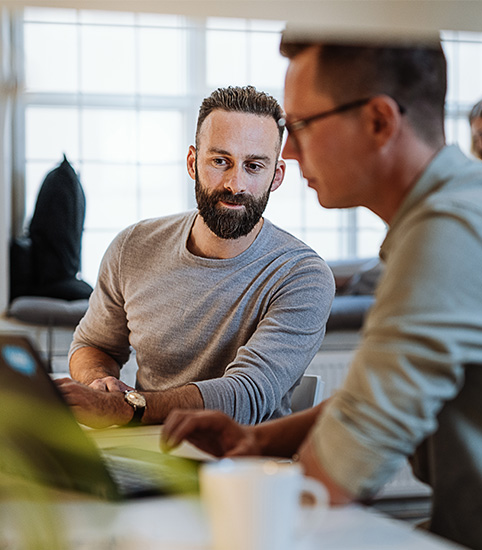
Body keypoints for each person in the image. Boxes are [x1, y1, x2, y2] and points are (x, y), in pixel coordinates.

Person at [161, 35, 482, 550]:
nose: (288, 150)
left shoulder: (455, 234)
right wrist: (259, 440)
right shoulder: (465, 205)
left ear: (380, 121)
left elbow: (328, 484)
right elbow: (367, 404)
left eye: (303, 124)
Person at [56, 86, 335, 429]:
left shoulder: (303, 276)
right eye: (220, 161)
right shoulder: (133, 246)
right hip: (142, 451)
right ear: (192, 162)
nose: (235, 184)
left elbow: (246, 395)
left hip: (243, 464)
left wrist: (124, 408)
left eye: (254, 166)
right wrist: (98, 382)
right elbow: (93, 344)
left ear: (276, 176)